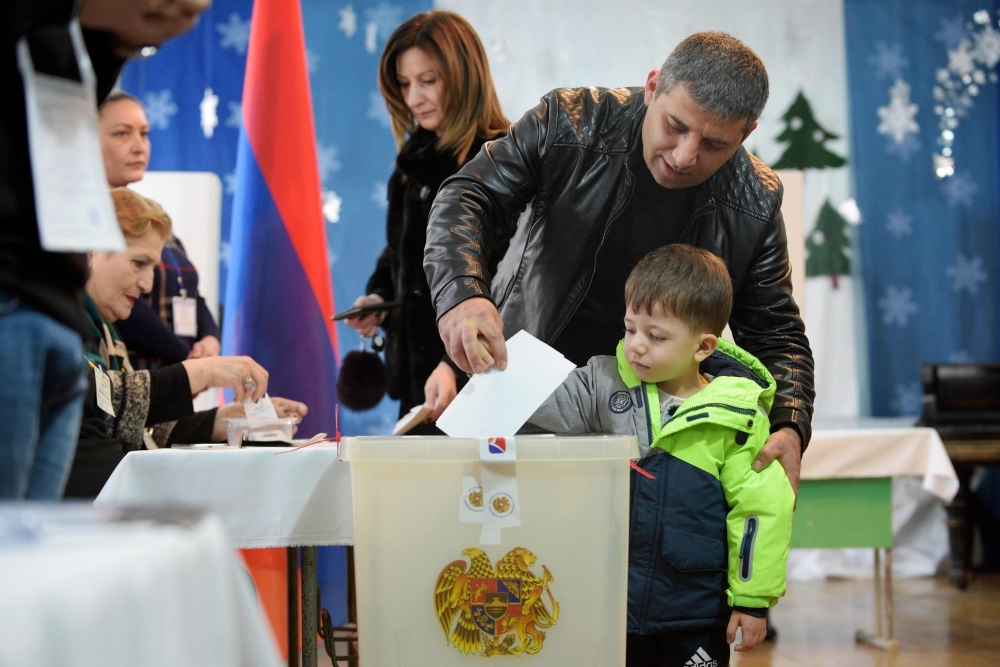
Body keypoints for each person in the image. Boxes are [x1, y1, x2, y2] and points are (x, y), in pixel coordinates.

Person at [425, 31, 814, 489]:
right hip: (521, 388)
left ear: (747, 134)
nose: (685, 156)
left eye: (714, 145)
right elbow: (469, 195)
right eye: (675, 125)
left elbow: (776, 332)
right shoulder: (570, 121)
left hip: (655, 433)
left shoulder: (756, 200)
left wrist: (790, 423)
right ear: (652, 88)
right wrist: (463, 294)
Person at [529, 245, 793, 667]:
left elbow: (761, 512)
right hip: (609, 605)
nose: (636, 346)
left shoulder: (740, 415)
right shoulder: (603, 384)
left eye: (656, 336)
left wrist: (753, 600)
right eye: (630, 327)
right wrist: (485, 360)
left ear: (703, 346)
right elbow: (535, 394)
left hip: (695, 613)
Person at [0, 0, 209, 499]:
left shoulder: (59, 39)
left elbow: (65, 105)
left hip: (53, 309)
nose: (145, 280)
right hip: (12, 304)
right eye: (137, 262)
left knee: (36, 547)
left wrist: (122, 32)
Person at [64, 188, 307, 498]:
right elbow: (104, 398)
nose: (147, 283)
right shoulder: (54, 320)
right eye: (139, 263)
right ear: (90, 250)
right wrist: (202, 371)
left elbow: (136, 426)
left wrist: (227, 419)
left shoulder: (108, 331)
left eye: (153, 267)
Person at [345, 11, 509, 427]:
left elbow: (510, 280)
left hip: (483, 382)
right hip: (420, 386)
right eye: (404, 83)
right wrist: (379, 298)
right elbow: (399, 253)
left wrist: (452, 365)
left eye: (428, 80)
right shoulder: (409, 167)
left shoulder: (504, 161)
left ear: (464, 76)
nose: (413, 97)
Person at [99, 90, 222, 368]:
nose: (139, 146)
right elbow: (112, 294)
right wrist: (186, 358)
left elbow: (190, 292)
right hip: (129, 381)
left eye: (144, 133)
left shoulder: (154, 219)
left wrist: (210, 338)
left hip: (176, 383)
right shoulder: (84, 220)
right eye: (122, 134)